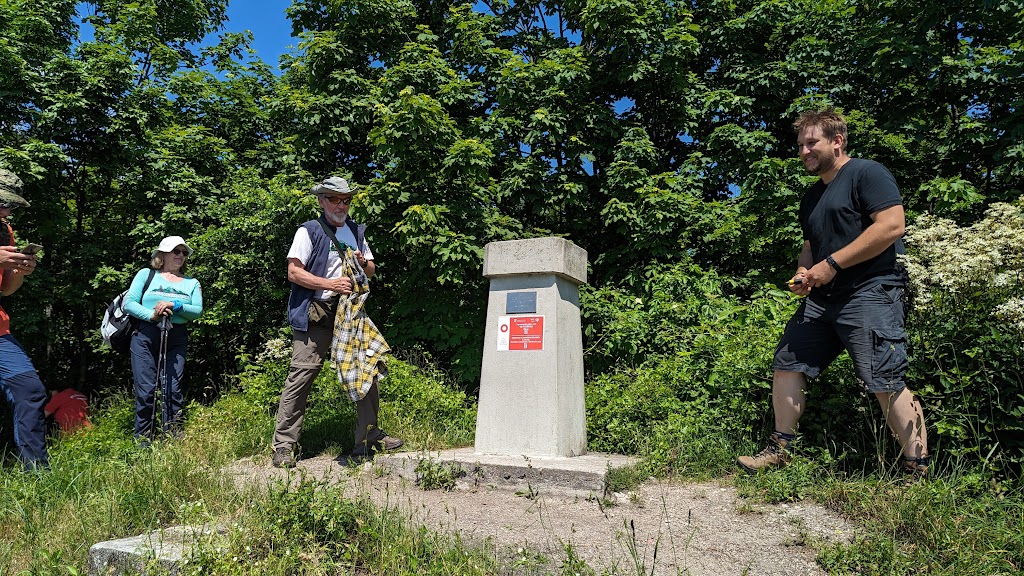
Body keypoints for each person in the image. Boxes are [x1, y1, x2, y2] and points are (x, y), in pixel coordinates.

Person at [737, 109, 930, 480]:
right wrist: (803, 272)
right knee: (788, 361)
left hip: (871, 290)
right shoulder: (812, 196)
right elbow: (810, 246)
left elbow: (892, 225)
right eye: (800, 145)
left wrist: (833, 265)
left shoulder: (866, 173)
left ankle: (915, 470)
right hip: (822, 297)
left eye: (812, 143)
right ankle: (781, 449)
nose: (804, 151)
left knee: (884, 379)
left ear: (837, 141)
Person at [272, 176, 402, 468]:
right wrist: (330, 283)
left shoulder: (355, 231)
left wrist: (362, 261)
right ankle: (283, 447)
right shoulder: (309, 231)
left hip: (351, 311)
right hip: (315, 311)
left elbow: (370, 269)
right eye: (334, 199)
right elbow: (294, 273)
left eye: (346, 200)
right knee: (302, 375)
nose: (341, 205)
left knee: (365, 369)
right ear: (321, 201)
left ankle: (368, 440)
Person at [124, 236, 203, 443]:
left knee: (172, 387)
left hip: (176, 336)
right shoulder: (146, 275)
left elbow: (197, 311)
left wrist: (176, 306)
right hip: (145, 334)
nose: (180, 255)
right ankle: (142, 442)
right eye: (176, 251)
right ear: (163, 254)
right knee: (146, 389)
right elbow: (129, 303)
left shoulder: (192, 283)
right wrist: (152, 315)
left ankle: (172, 438)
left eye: (184, 252)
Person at [0, 169, 49, 469]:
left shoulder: (4, 231)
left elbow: (5, 289)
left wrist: (20, 273)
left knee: (30, 390)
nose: (7, 210)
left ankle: (39, 476)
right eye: (3, 202)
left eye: (11, 205)